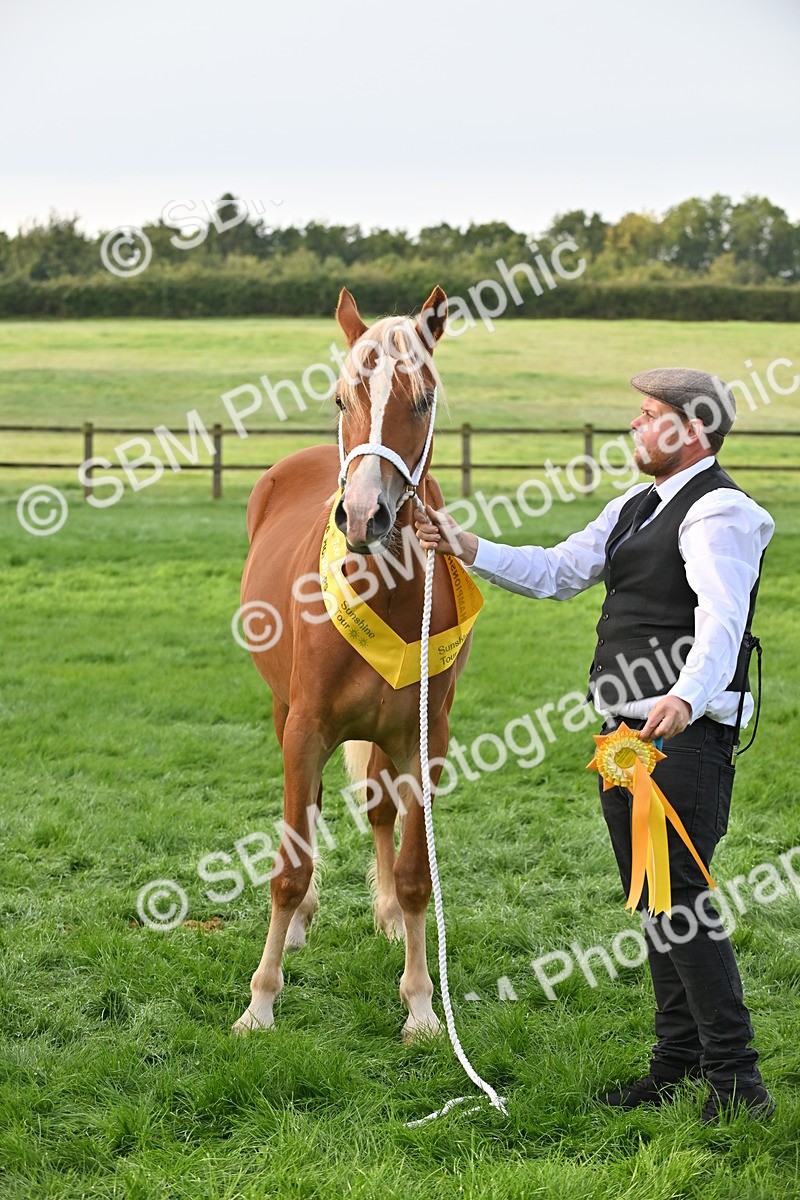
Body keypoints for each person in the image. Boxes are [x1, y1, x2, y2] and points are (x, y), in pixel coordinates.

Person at [414, 368, 775, 1124]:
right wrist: (465, 545)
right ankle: (676, 1062)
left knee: (684, 906)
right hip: (622, 740)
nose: (635, 427)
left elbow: (722, 618)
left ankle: (738, 1083)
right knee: (655, 902)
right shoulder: (634, 507)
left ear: (693, 431)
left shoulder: (722, 512)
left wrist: (687, 695)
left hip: (682, 738)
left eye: (649, 415)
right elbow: (556, 572)